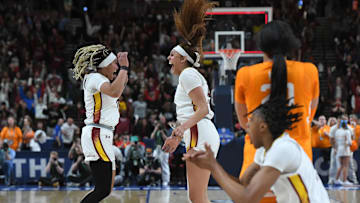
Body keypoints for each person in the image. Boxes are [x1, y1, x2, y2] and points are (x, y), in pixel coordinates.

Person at [184, 98, 330, 203]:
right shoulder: (265, 150)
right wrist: (212, 165)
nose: (246, 125)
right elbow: (243, 185)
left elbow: (248, 198)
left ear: (262, 127)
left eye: (251, 120)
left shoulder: (283, 148)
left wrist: (213, 167)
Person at [234, 20, 319, 179]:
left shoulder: (245, 74)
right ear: (290, 45)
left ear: (261, 46)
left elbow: (245, 123)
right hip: (298, 166)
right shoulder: (310, 71)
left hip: (257, 166)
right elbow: (309, 116)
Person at [162, 0, 220, 202]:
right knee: (198, 197)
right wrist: (178, 136)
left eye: (172, 55)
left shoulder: (188, 75)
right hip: (198, 132)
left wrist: (179, 130)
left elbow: (202, 109)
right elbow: (192, 111)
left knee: (196, 197)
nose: (169, 59)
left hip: (199, 132)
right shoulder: (189, 76)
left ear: (182, 59)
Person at [72, 44, 129, 202]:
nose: (116, 67)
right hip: (97, 133)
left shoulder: (102, 79)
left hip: (103, 134)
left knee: (106, 188)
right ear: (104, 65)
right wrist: (124, 67)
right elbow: (115, 91)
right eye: (114, 63)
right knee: (102, 189)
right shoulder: (95, 78)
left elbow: (120, 86)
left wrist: (122, 72)